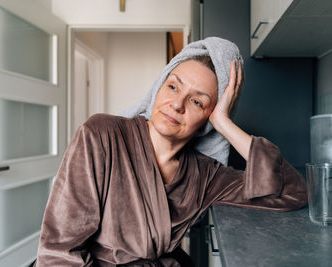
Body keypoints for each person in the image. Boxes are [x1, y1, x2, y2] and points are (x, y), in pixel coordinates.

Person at [35, 37, 307, 266]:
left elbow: (292, 193)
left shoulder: (205, 174)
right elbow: (59, 252)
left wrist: (225, 125)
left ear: (209, 118)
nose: (177, 104)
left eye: (197, 101)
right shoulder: (102, 134)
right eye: (173, 86)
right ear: (158, 88)